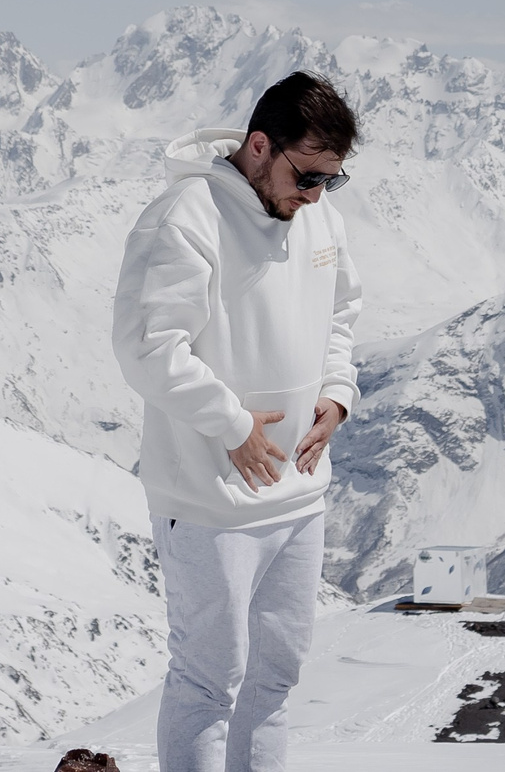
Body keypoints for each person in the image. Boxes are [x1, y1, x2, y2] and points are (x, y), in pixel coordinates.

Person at [110, 71, 365, 772]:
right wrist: (231, 423)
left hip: (300, 495)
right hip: (210, 500)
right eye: (308, 175)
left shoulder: (318, 216)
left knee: (274, 682)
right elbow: (147, 347)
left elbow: (342, 314)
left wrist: (337, 393)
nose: (315, 194)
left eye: (331, 181)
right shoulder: (186, 215)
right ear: (259, 145)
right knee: (207, 683)